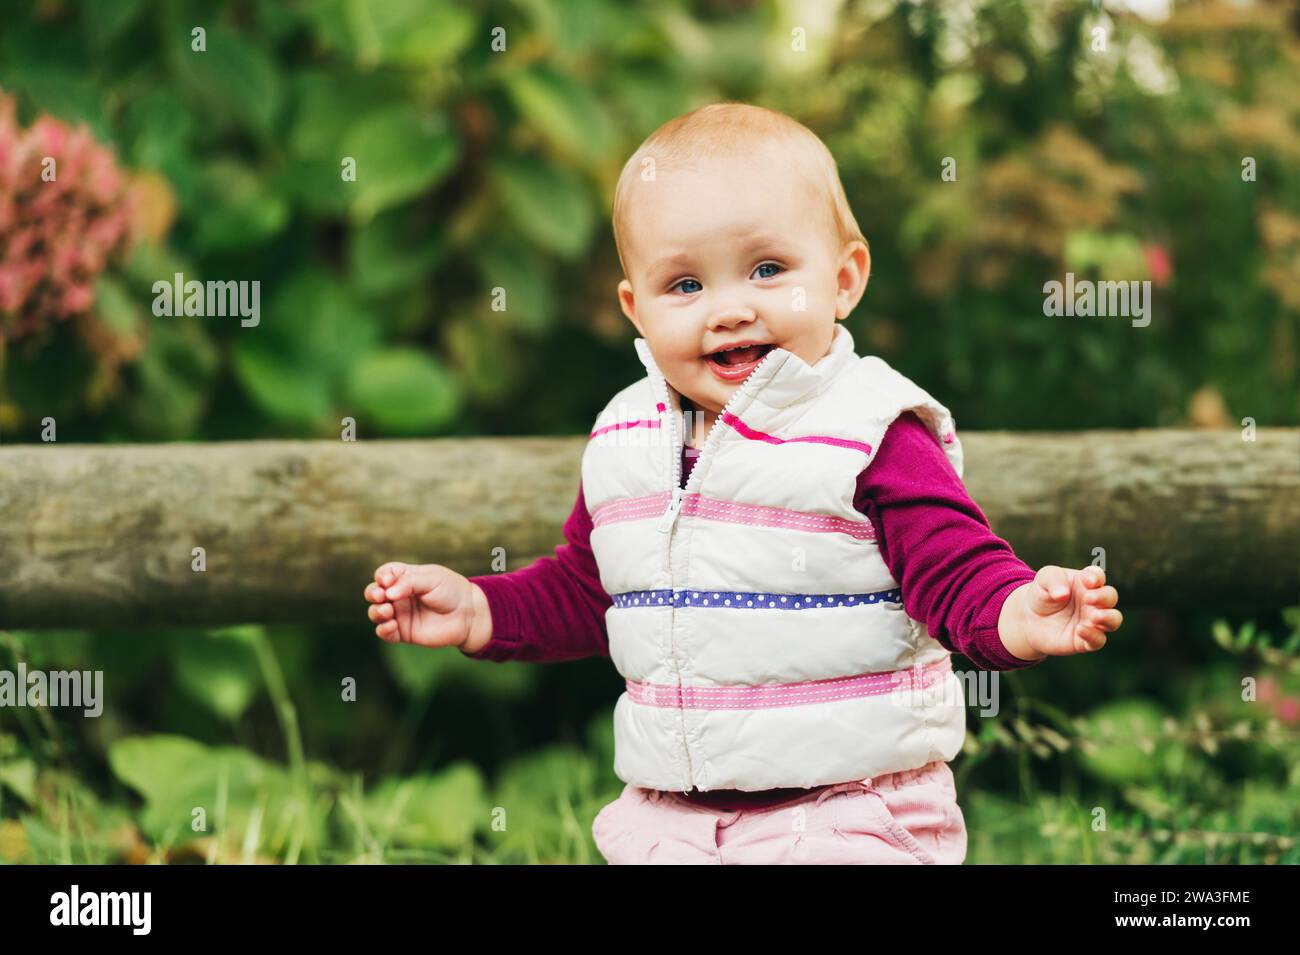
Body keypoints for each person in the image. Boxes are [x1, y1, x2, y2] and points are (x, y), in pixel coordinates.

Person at [363, 103, 1123, 864]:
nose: (728, 310)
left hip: (849, 810)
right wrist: (481, 609)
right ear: (635, 308)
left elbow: (953, 569)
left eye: (767, 270)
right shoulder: (627, 437)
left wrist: (1017, 612)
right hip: (673, 818)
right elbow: (593, 590)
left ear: (843, 280)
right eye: (684, 284)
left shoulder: (870, 430)